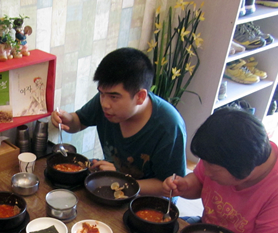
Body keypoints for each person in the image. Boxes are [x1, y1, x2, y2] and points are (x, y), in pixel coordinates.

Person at [51, 48, 187, 195]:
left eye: (114, 97)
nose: (105, 104)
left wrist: (120, 179)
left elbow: (172, 187)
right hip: (112, 184)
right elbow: (78, 122)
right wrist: (67, 119)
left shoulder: (169, 126)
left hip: (148, 200)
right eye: (101, 93)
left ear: (140, 96)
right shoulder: (105, 102)